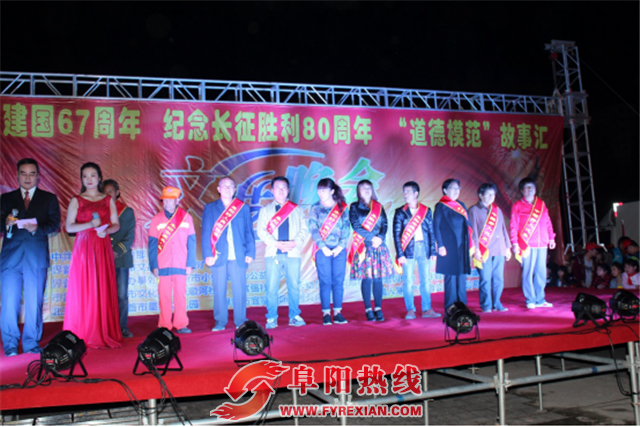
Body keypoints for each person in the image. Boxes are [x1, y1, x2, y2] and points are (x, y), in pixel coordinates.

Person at [1, 158, 61, 356]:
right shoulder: (6, 198)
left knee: (34, 301)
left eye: (32, 173)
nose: (28, 178)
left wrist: (37, 228)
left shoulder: (48, 198)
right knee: (9, 302)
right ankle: (10, 344)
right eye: (24, 173)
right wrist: (6, 223)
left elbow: (54, 224)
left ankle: (31, 343)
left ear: (38, 176)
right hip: (11, 258)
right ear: (17, 175)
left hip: (35, 257)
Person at [63, 162, 122, 349]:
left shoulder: (107, 200)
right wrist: (90, 225)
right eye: (85, 176)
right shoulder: (76, 200)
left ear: (99, 178)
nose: (89, 179)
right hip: (84, 248)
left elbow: (116, 224)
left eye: (92, 175)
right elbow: (69, 227)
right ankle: (83, 331)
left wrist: (107, 231)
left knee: (102, 286)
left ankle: (103, 330)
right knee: (85, 288)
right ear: (81, 179)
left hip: (102, 245)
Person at [202, 176, 255, 332]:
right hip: (218, 256)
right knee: (219, 290)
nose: (227, 188)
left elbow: (249, 232)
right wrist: (207, 254)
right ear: (218, 189)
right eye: (224, 186)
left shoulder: (243, 208)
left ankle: (241, 320)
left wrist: (250, 252)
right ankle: (220, 321)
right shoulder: (210, 208)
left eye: (230, 185)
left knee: (240, 290)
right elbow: (206, 233)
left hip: (238, 255)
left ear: (234, 189)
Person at [257, 177, 309, 329]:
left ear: (288, 190)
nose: (281, 190)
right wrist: (276, 243)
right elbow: (261, 231)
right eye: (277, 187)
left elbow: (304, 229)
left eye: (284, 187)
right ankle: (271, 317)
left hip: (293, 252)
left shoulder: (297, 209)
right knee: (271, 287)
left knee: (294, 286)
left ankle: (294, 316)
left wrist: (294, 243)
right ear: (272, 190)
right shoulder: (265, 210)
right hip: (273, 252)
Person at [148, 186, 196, 334]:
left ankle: (181, 324)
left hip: (181, 263)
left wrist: (190, 264)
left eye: (170, 200)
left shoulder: (186, 218)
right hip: (162, 264)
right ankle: (164, 325)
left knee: (180, 295)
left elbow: (192, 243)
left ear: (177, 201)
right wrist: (154, 265)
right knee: (164, 296)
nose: (167, 203)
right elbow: (152, 244)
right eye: (165, 200)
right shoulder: (156, 219)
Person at [392, 181, 439, 320]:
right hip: (408, 250)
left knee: (426, 280)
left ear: (416, 193)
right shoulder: (400, 212)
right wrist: (400, 253)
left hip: (424, 248)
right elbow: (396, 234)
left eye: (408, 191)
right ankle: (410, 309)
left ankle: (427, 309)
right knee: (408, 281)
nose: (405, 194)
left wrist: (433, 251)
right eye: (404, 192)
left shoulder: (426, 210)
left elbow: (431, 231)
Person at [348, 180, 393, 322]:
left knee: (378, 278)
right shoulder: (354, 206)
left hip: (378, 245)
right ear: (358, 191)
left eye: (369, 188)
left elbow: (384, 224)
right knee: (367, 278)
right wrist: (372, 238)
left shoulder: (378, 206)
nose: (366, 190)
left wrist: (380, 238)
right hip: (364, 246)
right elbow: (356, 226)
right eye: (363, 188)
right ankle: (368, 308)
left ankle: (378, 308)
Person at [308, 178, 351, 326]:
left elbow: (346, 228)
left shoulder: (342, 207)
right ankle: (326, 313)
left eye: (324, 190)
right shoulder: (315, 208)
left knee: (338, 281)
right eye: (319, 190)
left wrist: (340, 246)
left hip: (339, 250)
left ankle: (338, 312)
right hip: (322, 250)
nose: (320, 193)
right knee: (325, 281)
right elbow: (313, 229)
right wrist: (323, 247)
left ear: (332, 191)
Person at [510, 177, 556, 309]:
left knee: (541, 272)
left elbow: (547, 221)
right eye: (527, 187)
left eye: (532, 187)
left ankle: (540, 299)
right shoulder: (517, 205)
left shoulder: (541, 204)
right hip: (527, 245)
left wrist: (551, 238)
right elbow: (513, 226)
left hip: (542, 243)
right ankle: (530, 299)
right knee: (528, 272)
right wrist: (515, 243)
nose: (530, 190)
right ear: (521, 190)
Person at [468, 183, 512, 313]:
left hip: (499, 248)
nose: (491, 197)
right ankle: (486, 305)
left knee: (498, 279)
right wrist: (476, 249)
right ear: (480, 195)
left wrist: (508, 247)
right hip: (484, 251)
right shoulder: (474, 210)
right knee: (485, 279)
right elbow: (473, 232)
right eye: (488, 194)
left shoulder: (497, 210)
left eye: (493, 194)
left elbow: (503, 229)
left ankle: (497, 303)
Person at [103, 179, 136, 338]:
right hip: (102, 258)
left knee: (121, 295)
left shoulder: (127, 211)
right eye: (105, 192)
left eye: (111, 191)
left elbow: (130, 236)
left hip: (121, 259)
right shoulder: (99, 212)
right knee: (104, 295)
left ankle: (121, 326)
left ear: (117, 192)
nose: (108, 194)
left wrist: (116, 250)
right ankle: (105, 326)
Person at [434, 178, 472, 310]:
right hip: (448, 246)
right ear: (445, 190)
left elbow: (468, 226)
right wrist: (440, 245)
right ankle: (450, 306)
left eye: (458, 188)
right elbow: (436, 227)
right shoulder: (441, 206)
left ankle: (462, 305)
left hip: (462, 246)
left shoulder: (461, 205)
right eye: (453, 188)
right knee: (450, 276)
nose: (456, 191)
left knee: (461, 275)